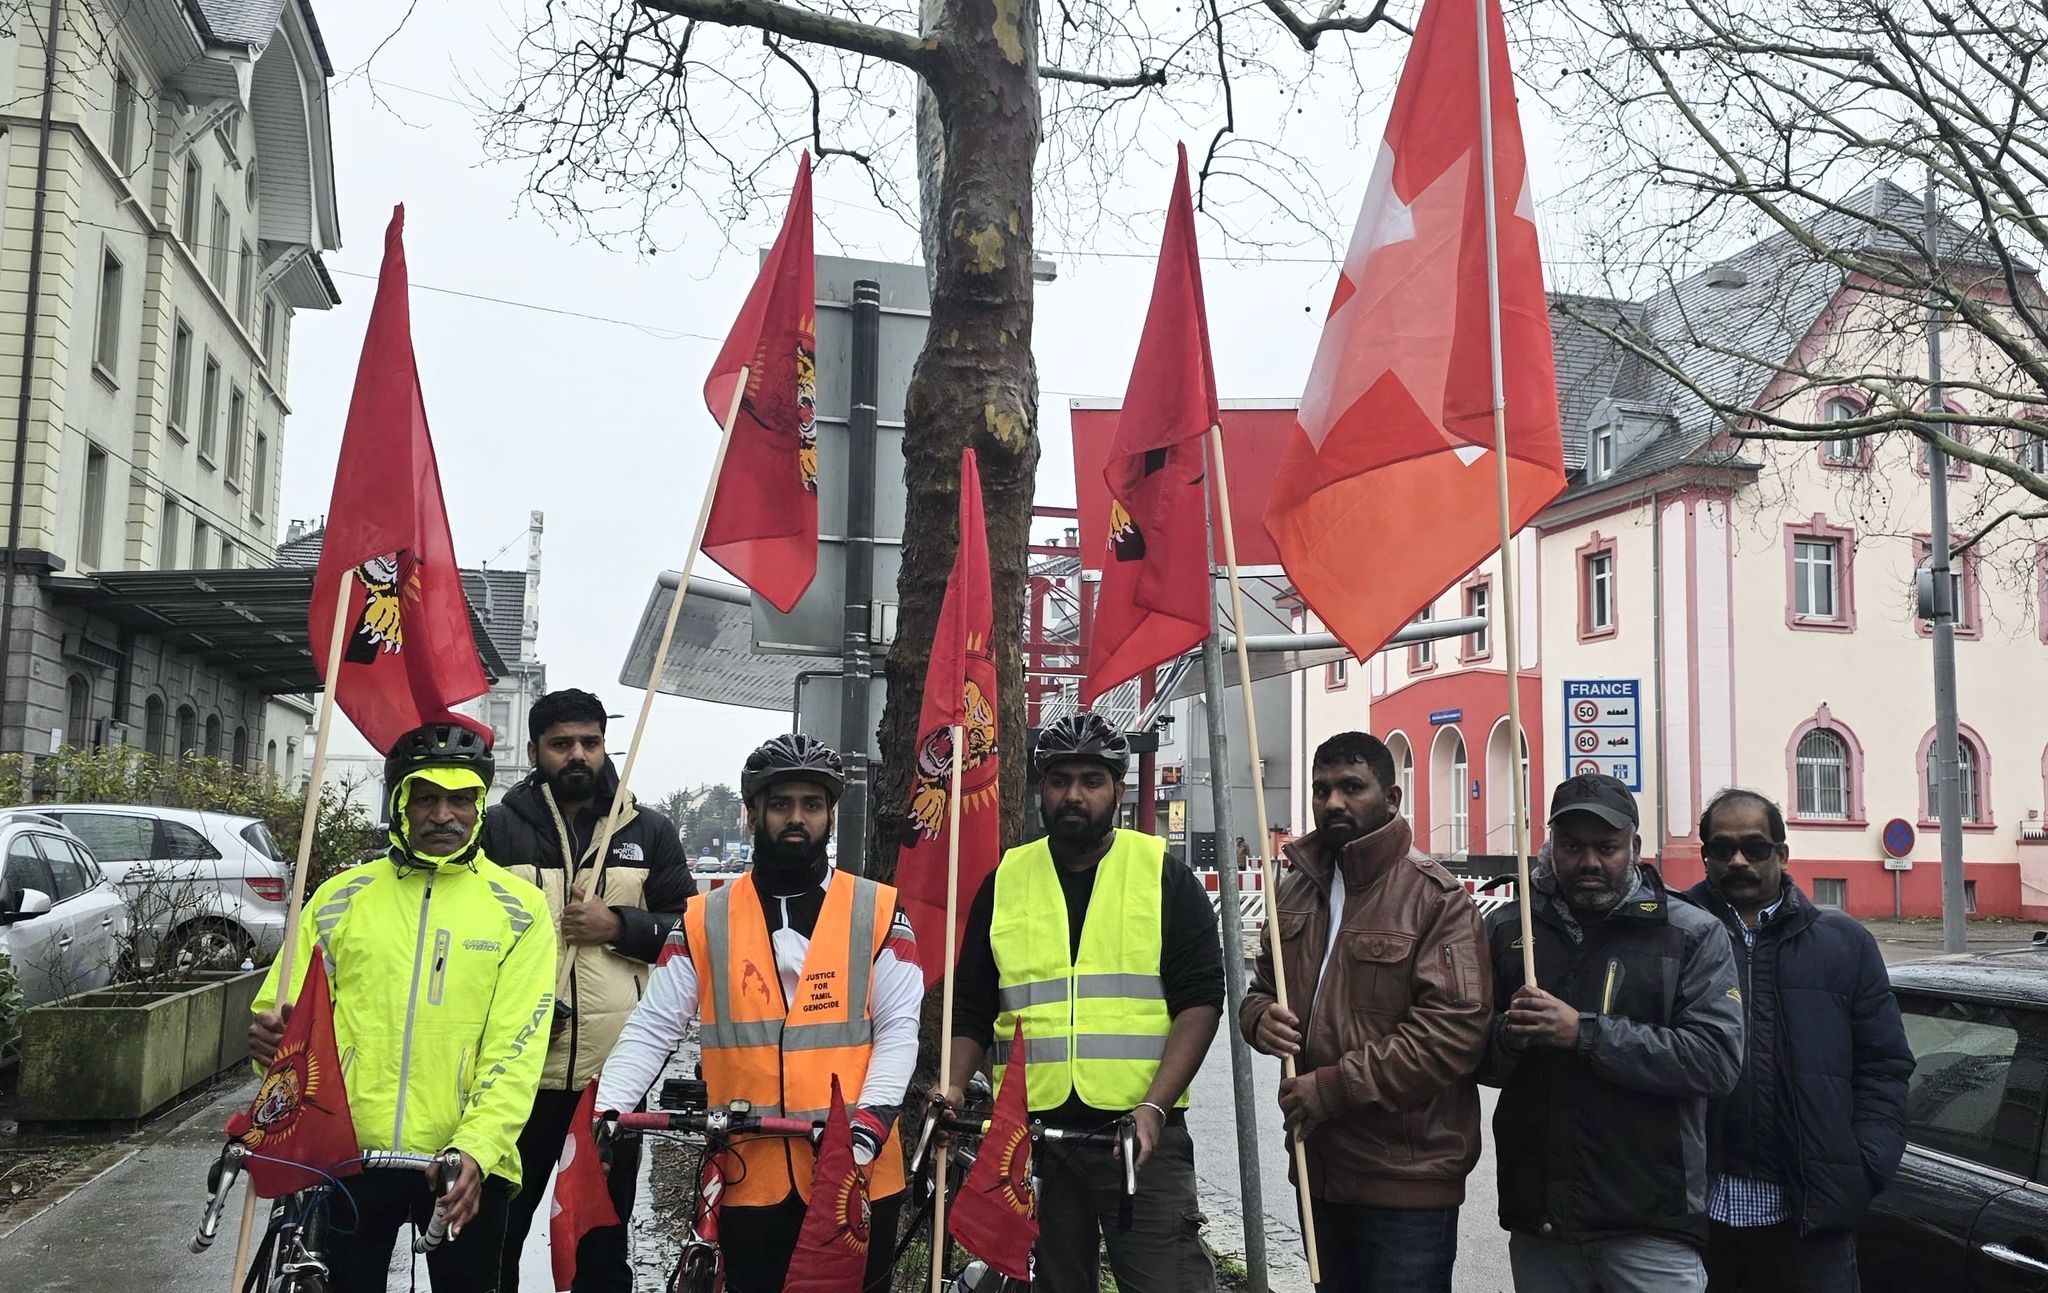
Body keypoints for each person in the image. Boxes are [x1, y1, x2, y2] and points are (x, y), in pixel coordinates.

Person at [595, 734, 920, 1293]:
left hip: (857, 1169)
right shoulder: (704, 919)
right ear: (752, 815)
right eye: (779, 804)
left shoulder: (879, 909)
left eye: (811, 805)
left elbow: (898, 1028)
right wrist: (607, 1109)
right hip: (751, 1170)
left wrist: (869, 1122)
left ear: (831, 817)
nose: (796, 818)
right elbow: (653, 1027)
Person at [249, 720, 556, 1293]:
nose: (445, 815)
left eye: (461, 799)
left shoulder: (520, 909)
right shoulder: (340, 898)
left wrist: (477, 1146)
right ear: (399, 802)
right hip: (345, 1158)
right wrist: (270, 1046)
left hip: (463, 1163)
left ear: (480, 806)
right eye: (428, 798)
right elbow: (283, 1021)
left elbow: (518, 1048)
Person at [946, 712, 1224, 1293]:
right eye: (1059, 779)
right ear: (1040, 787)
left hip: (1141, 1135)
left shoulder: (1164, 878)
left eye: (1091, 781)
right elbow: (972, 1004)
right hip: (1036, 1139)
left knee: (1166, 1282)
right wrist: (950, 1087)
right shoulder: (1005, 881)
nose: (1074, 794)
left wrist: (1154, 1108)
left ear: (1117, 789)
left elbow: (1199, 1002)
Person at [1242, 731, 1491, 1292]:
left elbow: (1453, 1034)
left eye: (1352, 787)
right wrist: (1258, 1019)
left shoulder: (1437, 899)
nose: (1333, 802)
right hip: (1318, 1170)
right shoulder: (1296, 888)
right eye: (1321, 789)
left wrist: (1331, 1089)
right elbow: (1261, 990)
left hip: (1405, 1182)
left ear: (1393, 798)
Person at [1479, 772, 1744, 1293]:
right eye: (1573, 846)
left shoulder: (1689, 932)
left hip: (1651, 1224)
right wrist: (1507, 1037)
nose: (1590, 862)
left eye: (1607, 847)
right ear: (1551, 845)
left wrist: (1584, 1034)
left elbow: (1717, 1060)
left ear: (1635, 847)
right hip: (1542, 1221)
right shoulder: (1512, 930)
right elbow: (1470, 1058)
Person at [484, 689, 696, 1292]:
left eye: (590, 742)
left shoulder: (648, 830)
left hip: (613, 1072)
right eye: (561, 744)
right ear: (535, 751)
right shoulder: (496, 829)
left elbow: (690, 934)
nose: (578, 755)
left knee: (601, 1233)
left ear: (605, 745)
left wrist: (620, 925)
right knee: (501, 1229)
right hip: (518, 1072)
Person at [1687, 788, 1912, 1292]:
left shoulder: (1844, 943)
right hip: (1692, 1218)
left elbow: (1884, 1067)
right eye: (1721, 849)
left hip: (1811, 1226)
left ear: (1782, 855)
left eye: (1755, 847)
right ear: (1705, 857)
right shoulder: (1670, 936)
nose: (1738, 860)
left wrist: (1864, 1167)